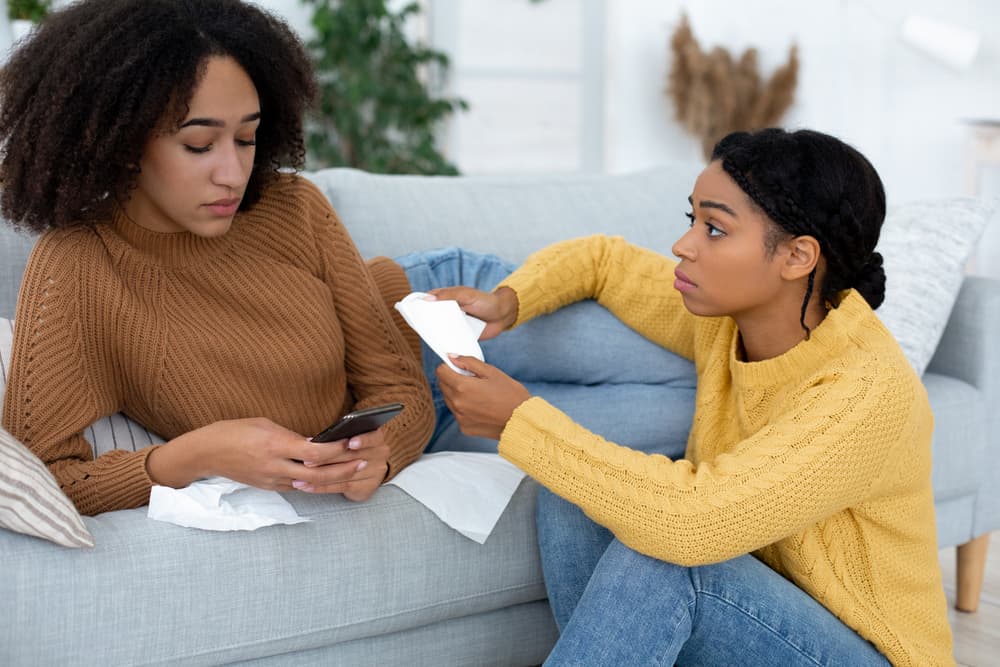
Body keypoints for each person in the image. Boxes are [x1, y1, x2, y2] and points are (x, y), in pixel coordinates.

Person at [432, 128, 955, 665]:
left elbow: (695, 522)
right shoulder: (726, 321)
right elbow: (604, 262)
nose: (684, 245)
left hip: (871, 655)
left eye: (715, 228)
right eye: (692, 221)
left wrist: (519, 423)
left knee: (670, 561)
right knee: (571, 494)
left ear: (797, 256)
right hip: (761, 621)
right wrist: (509, 300)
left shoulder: (866, 392)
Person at [0, 0, 436, 516]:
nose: (233, 172)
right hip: (436, 341)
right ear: (118, 142)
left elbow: (400, 386)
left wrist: (381, 456)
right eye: (200, 144)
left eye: (247, 138)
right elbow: (42, 478)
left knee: (558, 434)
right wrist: (199, 454)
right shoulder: (79, 268)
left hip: (434, 308)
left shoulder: (294, 207)